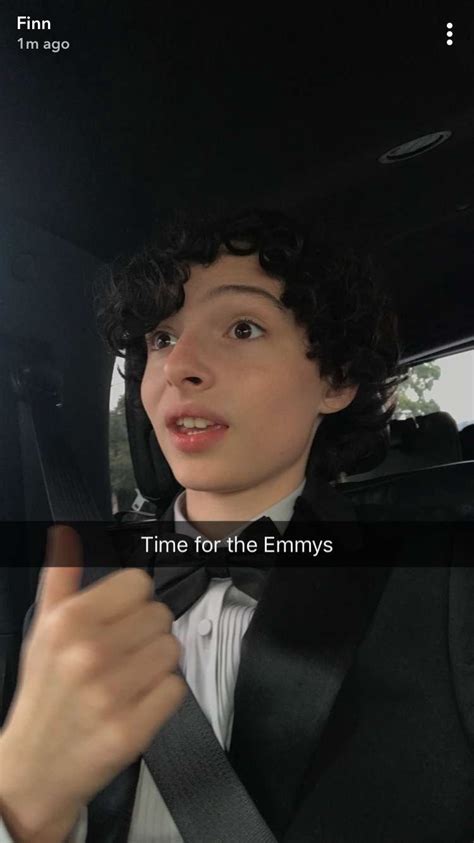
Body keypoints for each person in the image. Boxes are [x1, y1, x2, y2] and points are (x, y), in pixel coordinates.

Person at [0, 209, 472, 843]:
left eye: (243, 327)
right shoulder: (76, 587)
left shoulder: (442, 588)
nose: (177, 367)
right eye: (161, 339)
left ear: (335, 380)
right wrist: (22, 800)